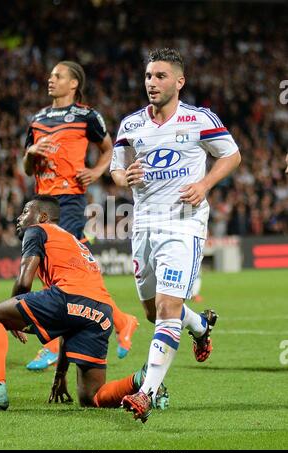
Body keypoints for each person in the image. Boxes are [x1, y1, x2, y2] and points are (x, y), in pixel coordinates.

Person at [110, 48, 241, 422]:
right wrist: (124, 177)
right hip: (144, 226)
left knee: (168, 308)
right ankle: (200, 325)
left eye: (161, 76)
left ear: (179, 81)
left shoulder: (199, 119)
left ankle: (146, 393)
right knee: (153, 312)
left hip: (184, 224)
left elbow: (232, 156)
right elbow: (116, 170)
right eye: (149, 76)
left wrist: (205, 183)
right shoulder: (131, 125)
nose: (152, 82)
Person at [0, 196, 167, 411]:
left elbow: (25, 281)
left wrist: (12, 312)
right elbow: (69, 319)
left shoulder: (36, 230)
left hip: (68, 298)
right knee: (91, 397)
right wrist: (60, 373)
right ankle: (141, 381)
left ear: (43, 217)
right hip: (101, 312)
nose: (19, 217)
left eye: (25, 211)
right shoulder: (72, 241)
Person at [22, 61, 138, 369]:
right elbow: (25, 167)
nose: (51, 79)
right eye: (50, 75)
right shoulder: (38, 118)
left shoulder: (87, 116)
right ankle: (122, 320)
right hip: (41, 201)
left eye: (58, 75)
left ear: (74, 84)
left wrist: (96, 171)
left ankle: (49, 344)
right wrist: (30, 155)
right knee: (67, 272)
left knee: (59, 269)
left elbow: (109, 148)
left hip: (69, 200)